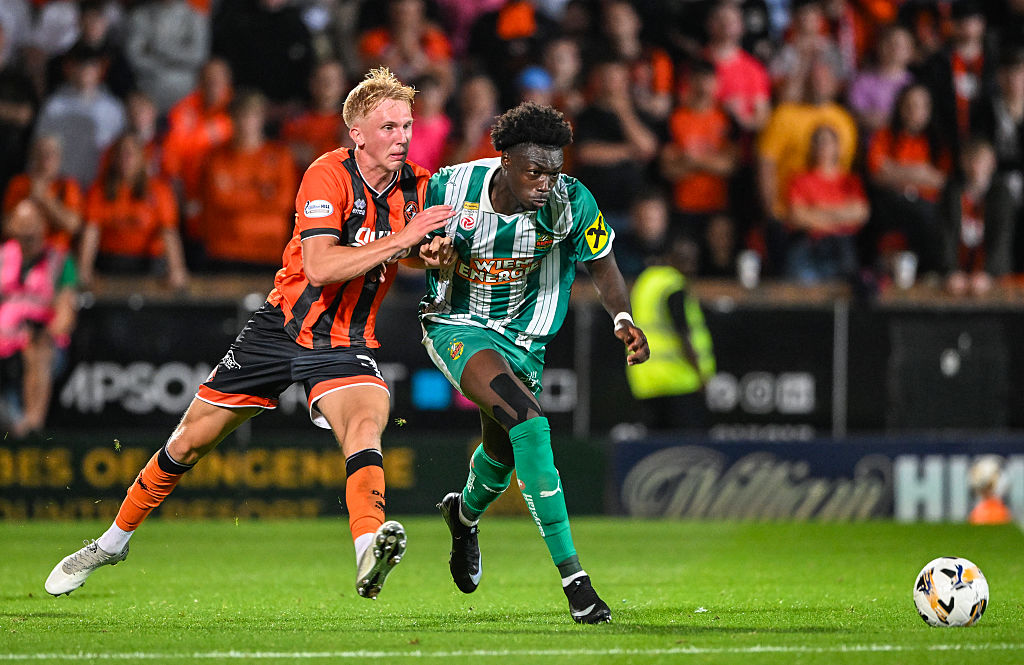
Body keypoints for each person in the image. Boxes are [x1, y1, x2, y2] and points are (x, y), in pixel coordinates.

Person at [44, 67, 455, 600]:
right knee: (188, 443)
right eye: (388, 127)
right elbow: (324, 266)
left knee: (363, 432)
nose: (401, 137)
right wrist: (405, 240)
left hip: (346, 342)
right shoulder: (326, 174)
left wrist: (433, 256)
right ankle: (112, 542)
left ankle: (367, 551)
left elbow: (414, 252)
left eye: (406, 126)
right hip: (280, 328)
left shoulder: (420, 187)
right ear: (356, 132)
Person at [420, 102, 649, 624]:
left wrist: (622, 318)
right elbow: (407, 248)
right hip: (456, 324)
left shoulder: (570, 202)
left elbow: (603, 263)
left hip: (526, 342)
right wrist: (430, 255)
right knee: (529, 422)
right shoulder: (451, 188)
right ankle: (576, 583)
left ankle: (463, 514)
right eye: (534, 171)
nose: (547, 182)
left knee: (500, 457)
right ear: (504, 162)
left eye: (554, 170)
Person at [0, 199, 76, 438]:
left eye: (32, 231)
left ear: (43, 228)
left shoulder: (60, 260)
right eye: (22, 231)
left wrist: (45, 333)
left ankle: (33, 428)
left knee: (38, 348)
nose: (27, 238)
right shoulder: (2, 257)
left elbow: (65, 314)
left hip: (41, 343)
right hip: (4, 341)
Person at [77, 132, 188, 289]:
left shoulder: (159, 191)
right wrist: (84, 268)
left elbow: (168, 232)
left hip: (148, 263)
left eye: (131, 154)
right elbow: (91, 230)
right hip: (110, 262)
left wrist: (176, 269)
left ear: (142, 158)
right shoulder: (100, 191)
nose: (126, 159)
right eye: (121, 153)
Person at [626, 234, 714, 431]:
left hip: (646, 381)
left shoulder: (645, 282)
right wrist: (701, 374)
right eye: (685, 259)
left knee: (654, 448)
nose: (691, 265)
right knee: (688, 449)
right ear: (670, 257)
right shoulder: (673, 285)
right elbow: (683, 333)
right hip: (679, 382)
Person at [784, 124, 869, 283]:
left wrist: (816, 210)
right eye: (818, 142)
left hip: (843, 245)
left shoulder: (850, 181)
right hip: (808, 244)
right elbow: (797, 217)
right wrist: (840, 215)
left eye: (828, 142)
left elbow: (860, 213)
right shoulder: (799, 180)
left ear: (838, 147)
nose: (823, 147)